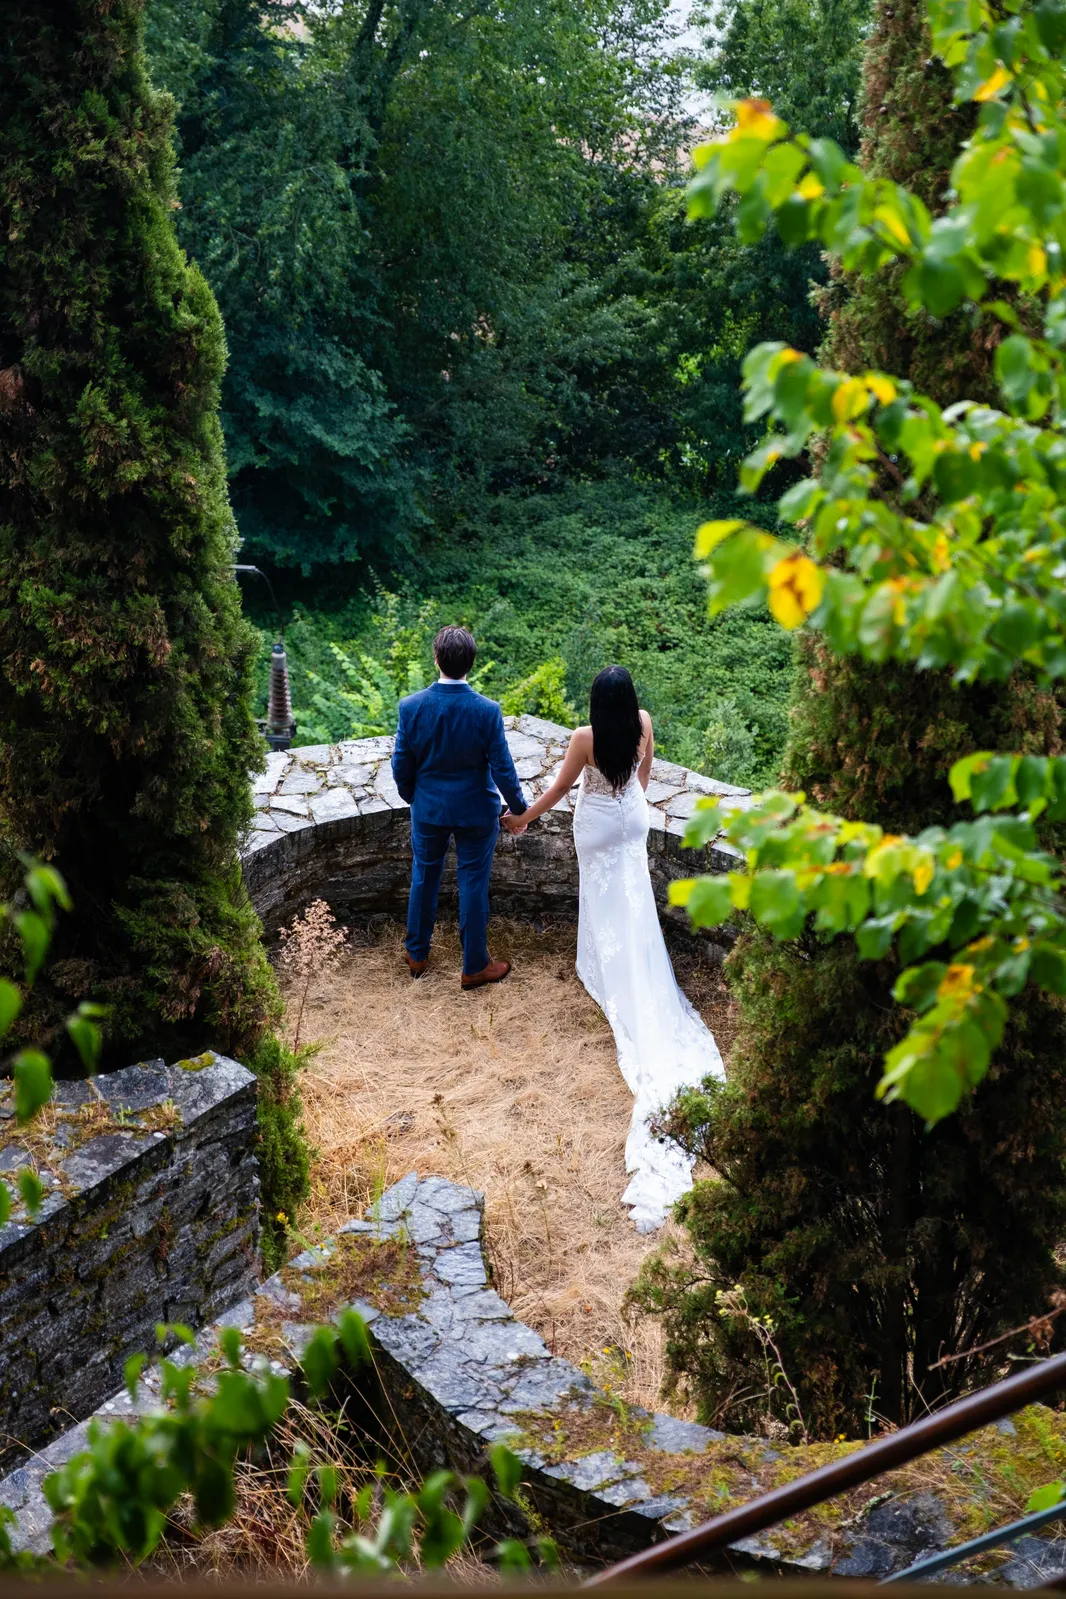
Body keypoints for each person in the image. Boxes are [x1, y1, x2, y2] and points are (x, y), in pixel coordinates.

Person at [503, 665, 724, 1231]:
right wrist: (627, 806)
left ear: (597, 704)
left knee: (604, 903)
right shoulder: (644, 723)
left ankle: (603, 967)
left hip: (597, 823)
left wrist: (522, 819)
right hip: (631, 818)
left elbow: (557, 790)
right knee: (632, 903)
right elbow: (644, 780)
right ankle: (623, 966)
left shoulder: (585, 738)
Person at [392, 625, 528, 989]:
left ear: (435, 658)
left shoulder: (411, 707)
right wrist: (520, 810)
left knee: (424, 876)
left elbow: (400, 764)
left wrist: (415, 797)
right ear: (471, 663)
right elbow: (503, 767)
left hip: (429, 809)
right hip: (475, 810)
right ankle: (474, 966)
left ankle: (417, 953)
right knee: (472, 882)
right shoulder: (487, 710)